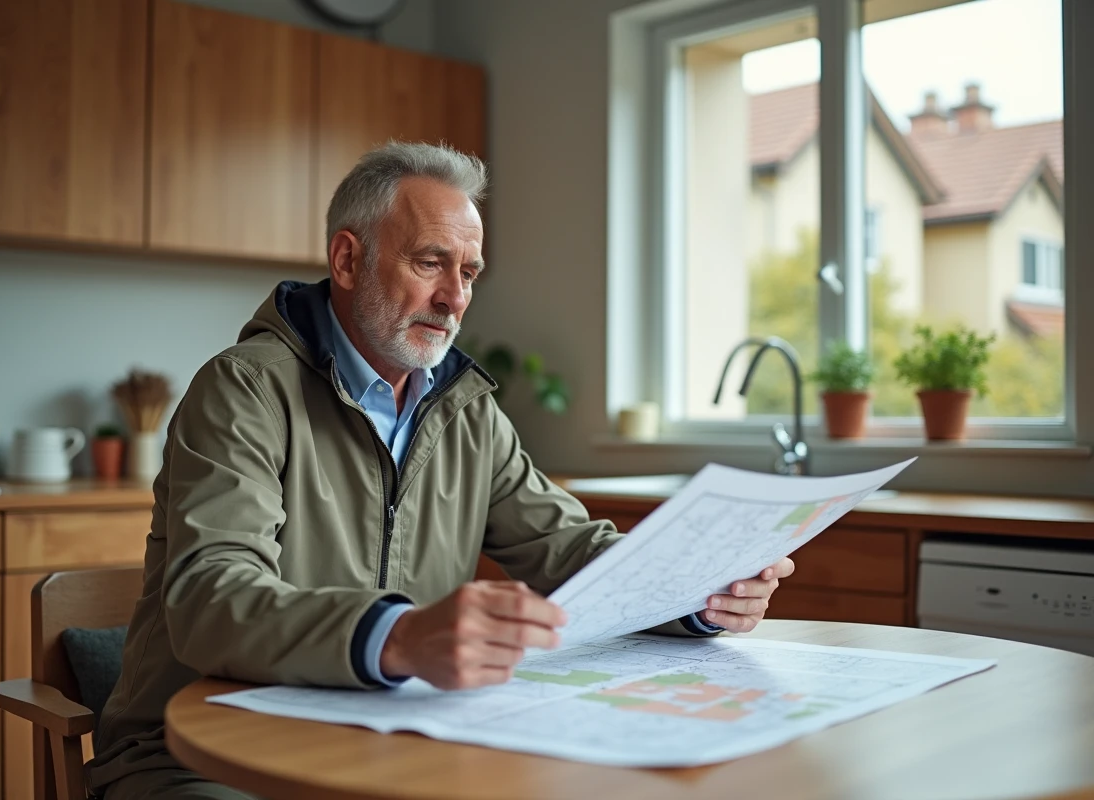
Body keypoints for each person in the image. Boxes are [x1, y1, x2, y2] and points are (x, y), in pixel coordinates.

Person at [89, 142, 796, 799]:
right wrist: (398, 636)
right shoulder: (244, 390)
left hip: (392, 738)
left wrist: (697, 589)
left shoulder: (467, 413)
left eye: (468, 273)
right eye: (431, 262)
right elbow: (212, 600)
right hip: (199, 755)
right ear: (347, 260)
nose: (455, 298)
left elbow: (573, 551)